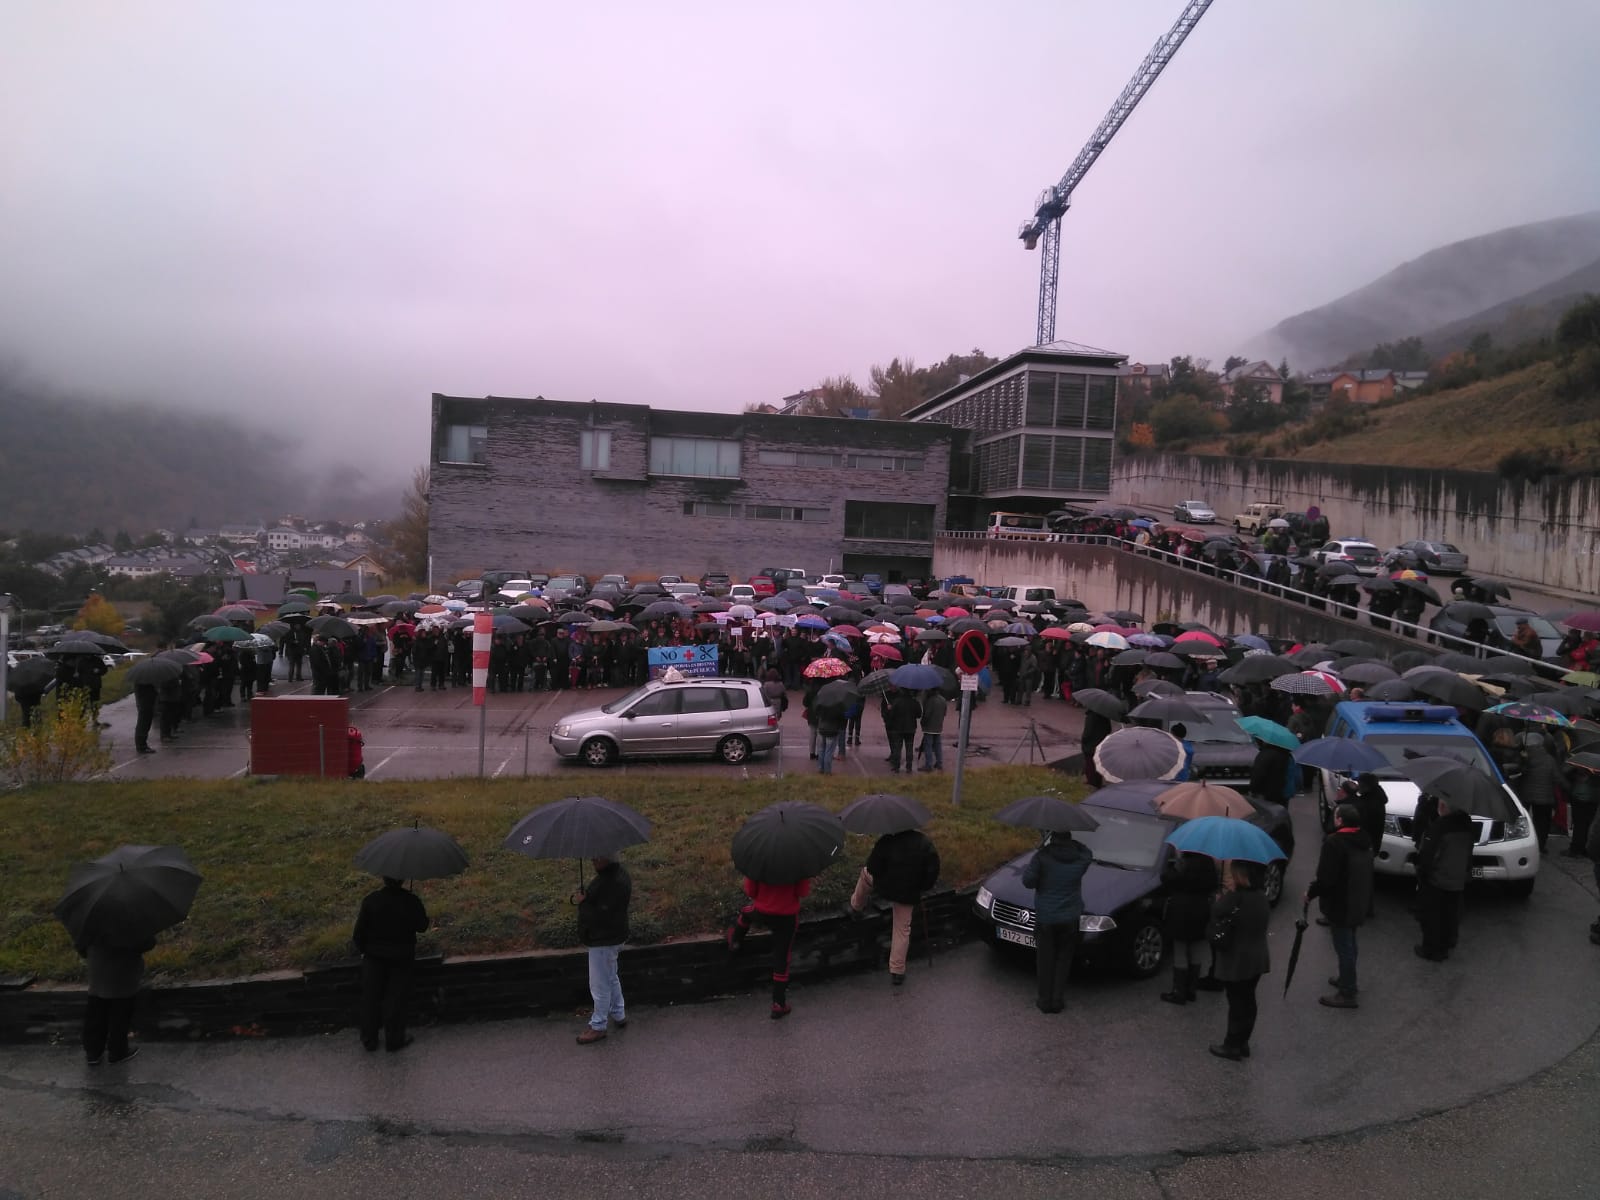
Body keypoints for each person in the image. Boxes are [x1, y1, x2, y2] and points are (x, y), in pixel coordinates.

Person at [846, 827, 941, 986]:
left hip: (884, 887)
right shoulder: (924, 843)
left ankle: (856, 906)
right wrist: (922, 887)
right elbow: (932, 871)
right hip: (908, 893)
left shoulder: (886, 840)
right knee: (902, 929)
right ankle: (897, 971)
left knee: (865, 875)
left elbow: (872, 868)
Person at [1306, 802, 1374, 1009]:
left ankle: (1347, 991)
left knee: (1343, 945)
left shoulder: (1335, 843)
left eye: (1336, 815)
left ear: (1340, 820)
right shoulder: (1364, 839)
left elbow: (1326, 878)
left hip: (1340, 902)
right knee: (1350, 941)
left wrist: (1310, 893)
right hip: (1357, 899)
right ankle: (1347, 978)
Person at [352, 875, 430, 1052]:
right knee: (396, 999)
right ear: (402, 880)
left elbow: (358, 934)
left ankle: (369, 1039)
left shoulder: (371, 901)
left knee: (370, 998)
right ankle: (394, 1039)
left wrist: (365, 951)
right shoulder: (410, 900)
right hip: (401, 957)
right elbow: (422, 926)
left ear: (383, 878)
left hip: (373, 958)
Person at [1021, 831, 1093, 1014]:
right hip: (1070, 918)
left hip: (1046, 917)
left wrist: (1040, 855)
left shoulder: (1042, 857)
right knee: (1063, 960)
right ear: (1069, 839)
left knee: (1045, 960)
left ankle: (1045, 1001)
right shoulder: (1080, 859)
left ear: (1053, 839)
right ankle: (1057, 1000)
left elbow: (1027, 882)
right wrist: (1074, 844)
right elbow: (1087, 852)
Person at [1208, 860, 1271, 1061]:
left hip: (1238, 959)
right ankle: (1243, 1041)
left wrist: (1221, 898)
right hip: (1257, 957)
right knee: (1248, 999)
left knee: (1236, 1002)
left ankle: (1232, 1044)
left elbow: (1217, 911)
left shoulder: (1236, 897)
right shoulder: (1261, 896)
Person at [727, 873, 811, 1019]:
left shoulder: (760, 861)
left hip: (762, 912)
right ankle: (779, 1003)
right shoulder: (798, 864)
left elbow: (750, 891)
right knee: (782, 958)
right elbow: (802, 892)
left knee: (746, 913)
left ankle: (735, 941)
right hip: (787, 918)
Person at [574, 854, 632, 1044]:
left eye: (597, 856)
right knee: (610, 976)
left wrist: (583, 902)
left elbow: (600, 916)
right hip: (614, 936)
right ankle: (618, 1012)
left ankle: (598, 1026)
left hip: (603, 940)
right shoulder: (619, 876)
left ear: (608, 857)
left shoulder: (609, 882)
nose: (592, 859)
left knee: (599, 985)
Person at [78, 932, 155, 1065]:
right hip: (123, 971)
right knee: (120, 1013)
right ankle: (118, 1052)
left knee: (96, 1010)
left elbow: (81, 947)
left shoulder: (91, 922)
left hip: (97, 969)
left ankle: (93, 1052)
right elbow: (147, 943)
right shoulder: (129, 921)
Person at [1414, 800, 1474, 961]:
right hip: (1457, 878)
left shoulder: (1440, 827)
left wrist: (1422, 873)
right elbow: (1469, 852)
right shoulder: (1467, 825)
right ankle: (1447, 943)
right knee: (1451, 913)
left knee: (1432, 915)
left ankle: (1432, 949)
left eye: (1441, 803)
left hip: (1438, 878)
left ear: (1444, 807)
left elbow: (1429, 855)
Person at [1159, 849, 1218, 1004]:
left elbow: (1165, 878)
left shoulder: (1183, 863)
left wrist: (1176, 867)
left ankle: (1179, 992)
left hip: (1181, 909)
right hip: (1201, 909)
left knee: (1180, 950)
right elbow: (1214, 884)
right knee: (1196, 948)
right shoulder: (1208, 863)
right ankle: (1191, 990)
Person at [1516, 731, 1559, 851]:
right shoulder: (1549, 759)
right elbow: (1557, 777)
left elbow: (1519, 773)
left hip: (1525, 794)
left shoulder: (1523, 756)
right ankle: (1540, 846)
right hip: (1544, 797)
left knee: (1522, 819)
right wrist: (1569, 788)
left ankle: (1521, 843)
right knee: (1543, 822)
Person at [882, 686, 921, 774]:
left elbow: (892, 715)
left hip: (898, 729)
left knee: (897, 748)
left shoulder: (897, 702)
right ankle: (909, 767)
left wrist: (889, 710)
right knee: (909, 748)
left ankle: (896, 767)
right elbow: (919, 714)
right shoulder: (914, 702)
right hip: (911, 729)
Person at [918, 687, 947, 772]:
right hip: (938, 726)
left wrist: (922, 722)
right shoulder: (943, 699)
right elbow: (945, 713)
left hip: (929, 727)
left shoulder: (931, 700)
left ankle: (929, 765)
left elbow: (927, 715)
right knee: (938, 745)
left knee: (928, 746)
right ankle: (939, 763)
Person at [132, 680, 158, 755]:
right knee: (143, 723)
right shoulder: (142, 682)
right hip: (145, 703)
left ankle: (142, 745)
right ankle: (141, 746)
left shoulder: (143, 680)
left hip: (146, 703)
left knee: (145, 723)